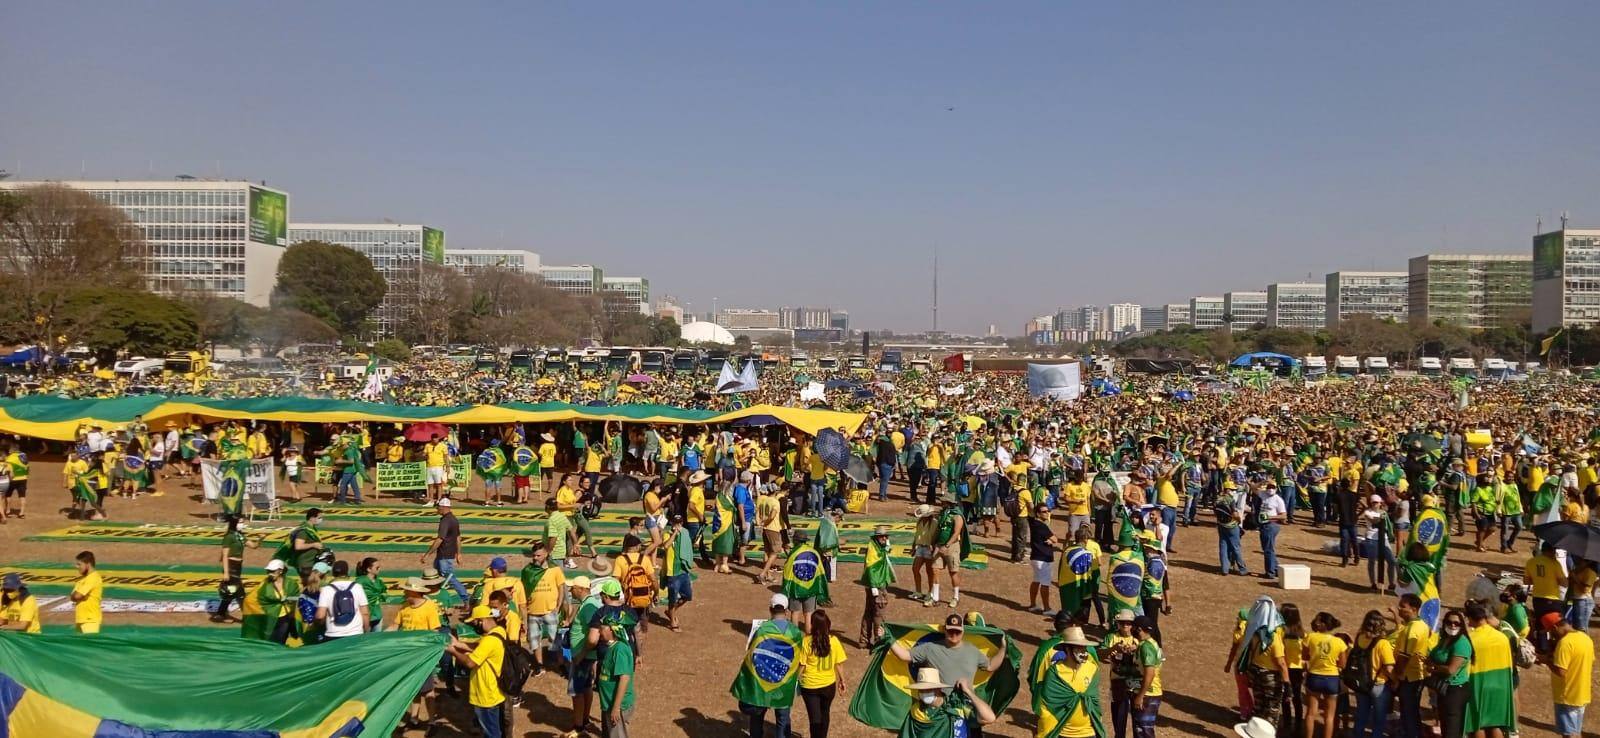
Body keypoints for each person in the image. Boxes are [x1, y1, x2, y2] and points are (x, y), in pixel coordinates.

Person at [891, 613, 1009, 700]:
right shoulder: (930, 648)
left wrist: (1003, 648)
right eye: (950, 631)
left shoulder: (972, 650)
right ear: (944, 630)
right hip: (942, 707)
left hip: (967, 705)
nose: (954, 634)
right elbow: (905, 655)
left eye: (957, 632)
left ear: (963, 632)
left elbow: (990, 666)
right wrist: (889, 640)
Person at [736, 594, 803, 738]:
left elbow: (752, 652)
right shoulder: (795, 633)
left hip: (762, 681)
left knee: (757, 716)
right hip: (784, 681)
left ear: (770, 609)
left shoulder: (762, 629)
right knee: (783, 718)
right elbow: (798, 658)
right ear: (786, 611)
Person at [1032, 625, 1107, 738]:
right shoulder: (1054, 673)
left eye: (1085, 647)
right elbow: (1047, 705)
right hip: (1063, 733)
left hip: (1089, 733)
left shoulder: (1092, 669)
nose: (1084, 652)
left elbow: (1094, 700)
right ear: (1067, 649)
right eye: (1079, 647)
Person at [447, 604, 510, 738]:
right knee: (495, 728)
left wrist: (453, 651)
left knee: (491, 733)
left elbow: (470, 663)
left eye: (475, 622)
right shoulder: (499, 631)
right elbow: (478, 646)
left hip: (485, 694)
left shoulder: (488, 641)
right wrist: (458, 644)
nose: (474, 626)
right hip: (495, 691)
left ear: (483, 620)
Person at [1463, 600, 1515, 738]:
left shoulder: (1470, 639)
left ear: (1471, 618)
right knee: (1495, 723)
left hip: (1479, 684)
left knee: (1477, 723)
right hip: (1500, 685)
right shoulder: (1502, 637)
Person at [899, 670, 998, 738]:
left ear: (938, 688)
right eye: (921, 690)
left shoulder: (957, 705)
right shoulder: (916, 712)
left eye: (928, 689)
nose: (924, 693)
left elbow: (989, 718)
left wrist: (968, 692)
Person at [1541, 611, 1592, 738]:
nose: (1551, 635)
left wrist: (1547, 661)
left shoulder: (1565, 643)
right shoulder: (1585, 637)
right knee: (1576, 732)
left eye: (1551, 632)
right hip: (1581, 693)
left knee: (1568, 735)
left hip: (1566, 696)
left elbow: (1561, 671)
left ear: (1554, 627)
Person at [798, 610, 847, 738]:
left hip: (810, 687)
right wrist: (842, 681)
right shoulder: (834, 641)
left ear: (813, 625)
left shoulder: (806, 642)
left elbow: (802, 665)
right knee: (825, 714)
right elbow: (839, 664)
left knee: (814, 719)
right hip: (828, 685)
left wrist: (795, 681)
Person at [1389, 593, 1430, 738]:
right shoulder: (1420, 625)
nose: (1399, 608)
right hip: (1414, 676)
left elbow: (1404, 657)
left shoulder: (1413, 629)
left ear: (1413, 609)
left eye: (1402, 606)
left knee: (1409, 713)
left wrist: (1397, 677)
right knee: (1410, 712)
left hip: (1409, 677)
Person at [521, 543, 566, 673]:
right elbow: (523, 589)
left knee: (556, 639)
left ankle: (560, 664)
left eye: (538, 555)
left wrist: (558, 606)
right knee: (535, 640)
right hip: (533, 611)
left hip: (550, 610)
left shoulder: (555, 569)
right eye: (534, 555)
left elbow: (561, 588)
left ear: (546, 554)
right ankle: (540, 666)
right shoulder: (527, 570)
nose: (535, 558)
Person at [1427, 610, 1472, 738]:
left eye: (1456, 623)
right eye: (1449, 622)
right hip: (1444, 689)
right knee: (1445, 727)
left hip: (1455, 691)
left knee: (1452, 730)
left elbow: (1451, 670)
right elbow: (1436, 655)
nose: (1453, 626)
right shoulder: (1445, 639)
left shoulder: (1461, 643)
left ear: (1461, 625)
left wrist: (1433, 668)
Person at [1351, 609, 1395, 738]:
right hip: (1378, 684)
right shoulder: (1383, 643)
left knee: (1361, 714)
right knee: (1379, 718)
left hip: (1361, 682)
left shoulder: (1359, 637)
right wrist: (1396, 681)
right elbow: (1389, 668)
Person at [1301, 612, 1346, 738]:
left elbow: (1305, 656)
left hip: (1314, 676)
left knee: (1310, 713)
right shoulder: (1339, 642)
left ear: (1322, 624)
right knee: (1329, 716)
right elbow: (1342, 664)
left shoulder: (1310, 637)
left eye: (1317, 621)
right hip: (1332, 679)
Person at [596, 613, 637, 738]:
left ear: (612, 630)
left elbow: (624, 678)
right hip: (609, 703)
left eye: (602, 628)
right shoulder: (612, 647)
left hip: (618, 706)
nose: (599, 631)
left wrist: (616, 708)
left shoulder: (620, 650)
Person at [422, 497, 471, 601]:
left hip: (444, 556)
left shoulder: (446, 521)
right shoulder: (454, 519)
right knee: (437, 577)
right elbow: (458, 538)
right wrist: (458, 554)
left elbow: (440, 539)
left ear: (444, 507)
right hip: (447, 555)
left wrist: (428, 554)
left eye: (438, 507)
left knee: (450, 578)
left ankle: (466, 598)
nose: (437, 510)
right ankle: (438, 597)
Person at [1523, 542, 1566, 652]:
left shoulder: (1531, 562)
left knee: (1541, 623)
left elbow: (1526, 581)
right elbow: (1564, 583)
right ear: (1551, 551)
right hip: (1553, 598)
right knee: (1557, 625)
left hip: (1537, 598)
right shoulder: (1554, 563)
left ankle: (1543, 648)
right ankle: (1558, 648)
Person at [859, 524, 895, 647]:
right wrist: (874, 586)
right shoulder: (873, 550)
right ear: (877, 538)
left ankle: (864, 640)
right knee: (879, 614)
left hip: (872, 584)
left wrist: (887, 545)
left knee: (868, 612)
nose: (885, 539)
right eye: (882, 537)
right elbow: (871, 568)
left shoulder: (876, 546)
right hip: (877, 585)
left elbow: (887, 550)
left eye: (886, 536)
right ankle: (879, 641)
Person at [315, 559, 369, 640]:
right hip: (355, 633)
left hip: (333, 633)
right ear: (347, 572)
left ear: (333, 573)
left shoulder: (326, 589)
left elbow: (320, 615)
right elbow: (365, 613)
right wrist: (366, 630)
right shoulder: (357, 587)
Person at [215, 516, 253, 623]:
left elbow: (253, 546)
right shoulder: (229, 537)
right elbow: (225, 555)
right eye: (241, 522)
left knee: (231, 591)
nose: (243, 524)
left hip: (238, 566)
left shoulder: (240, 536)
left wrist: (261, 539)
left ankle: (220, 614)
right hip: (231, 566)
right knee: (240, 592)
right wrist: (226, 572)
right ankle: (247, 617)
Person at [1131, 616, 1162, 738]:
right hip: (1152, 693)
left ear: (1139, 629)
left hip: (1148, 695)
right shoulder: (1152, 643)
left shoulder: (1146, 647)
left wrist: (1140, 696)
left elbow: (1150, 673)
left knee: (1143, 731)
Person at [1027, 501, 1059, 614]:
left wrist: (1051, 540)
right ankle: (1047, 608)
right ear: (1038, 514)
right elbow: (1055, 539)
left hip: (1035, 557)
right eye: (1044, 512)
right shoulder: (1042, 526)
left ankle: (1032, 605)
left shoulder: (1034, 523)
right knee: (1045, 583)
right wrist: (1051, 540)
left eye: (1048, 511)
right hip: (1043, 558)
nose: (1047, 513)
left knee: (1036, 581)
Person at [70, 550, 102, 634]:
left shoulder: (93, 578)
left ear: (88, 564)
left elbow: (77, 596)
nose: (76, 566)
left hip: (90, 620)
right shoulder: (82, 579)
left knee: (90, 646)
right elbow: (72, 597)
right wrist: (77, 596)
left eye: (79, 564)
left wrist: (77, 595)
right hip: (81, 619)